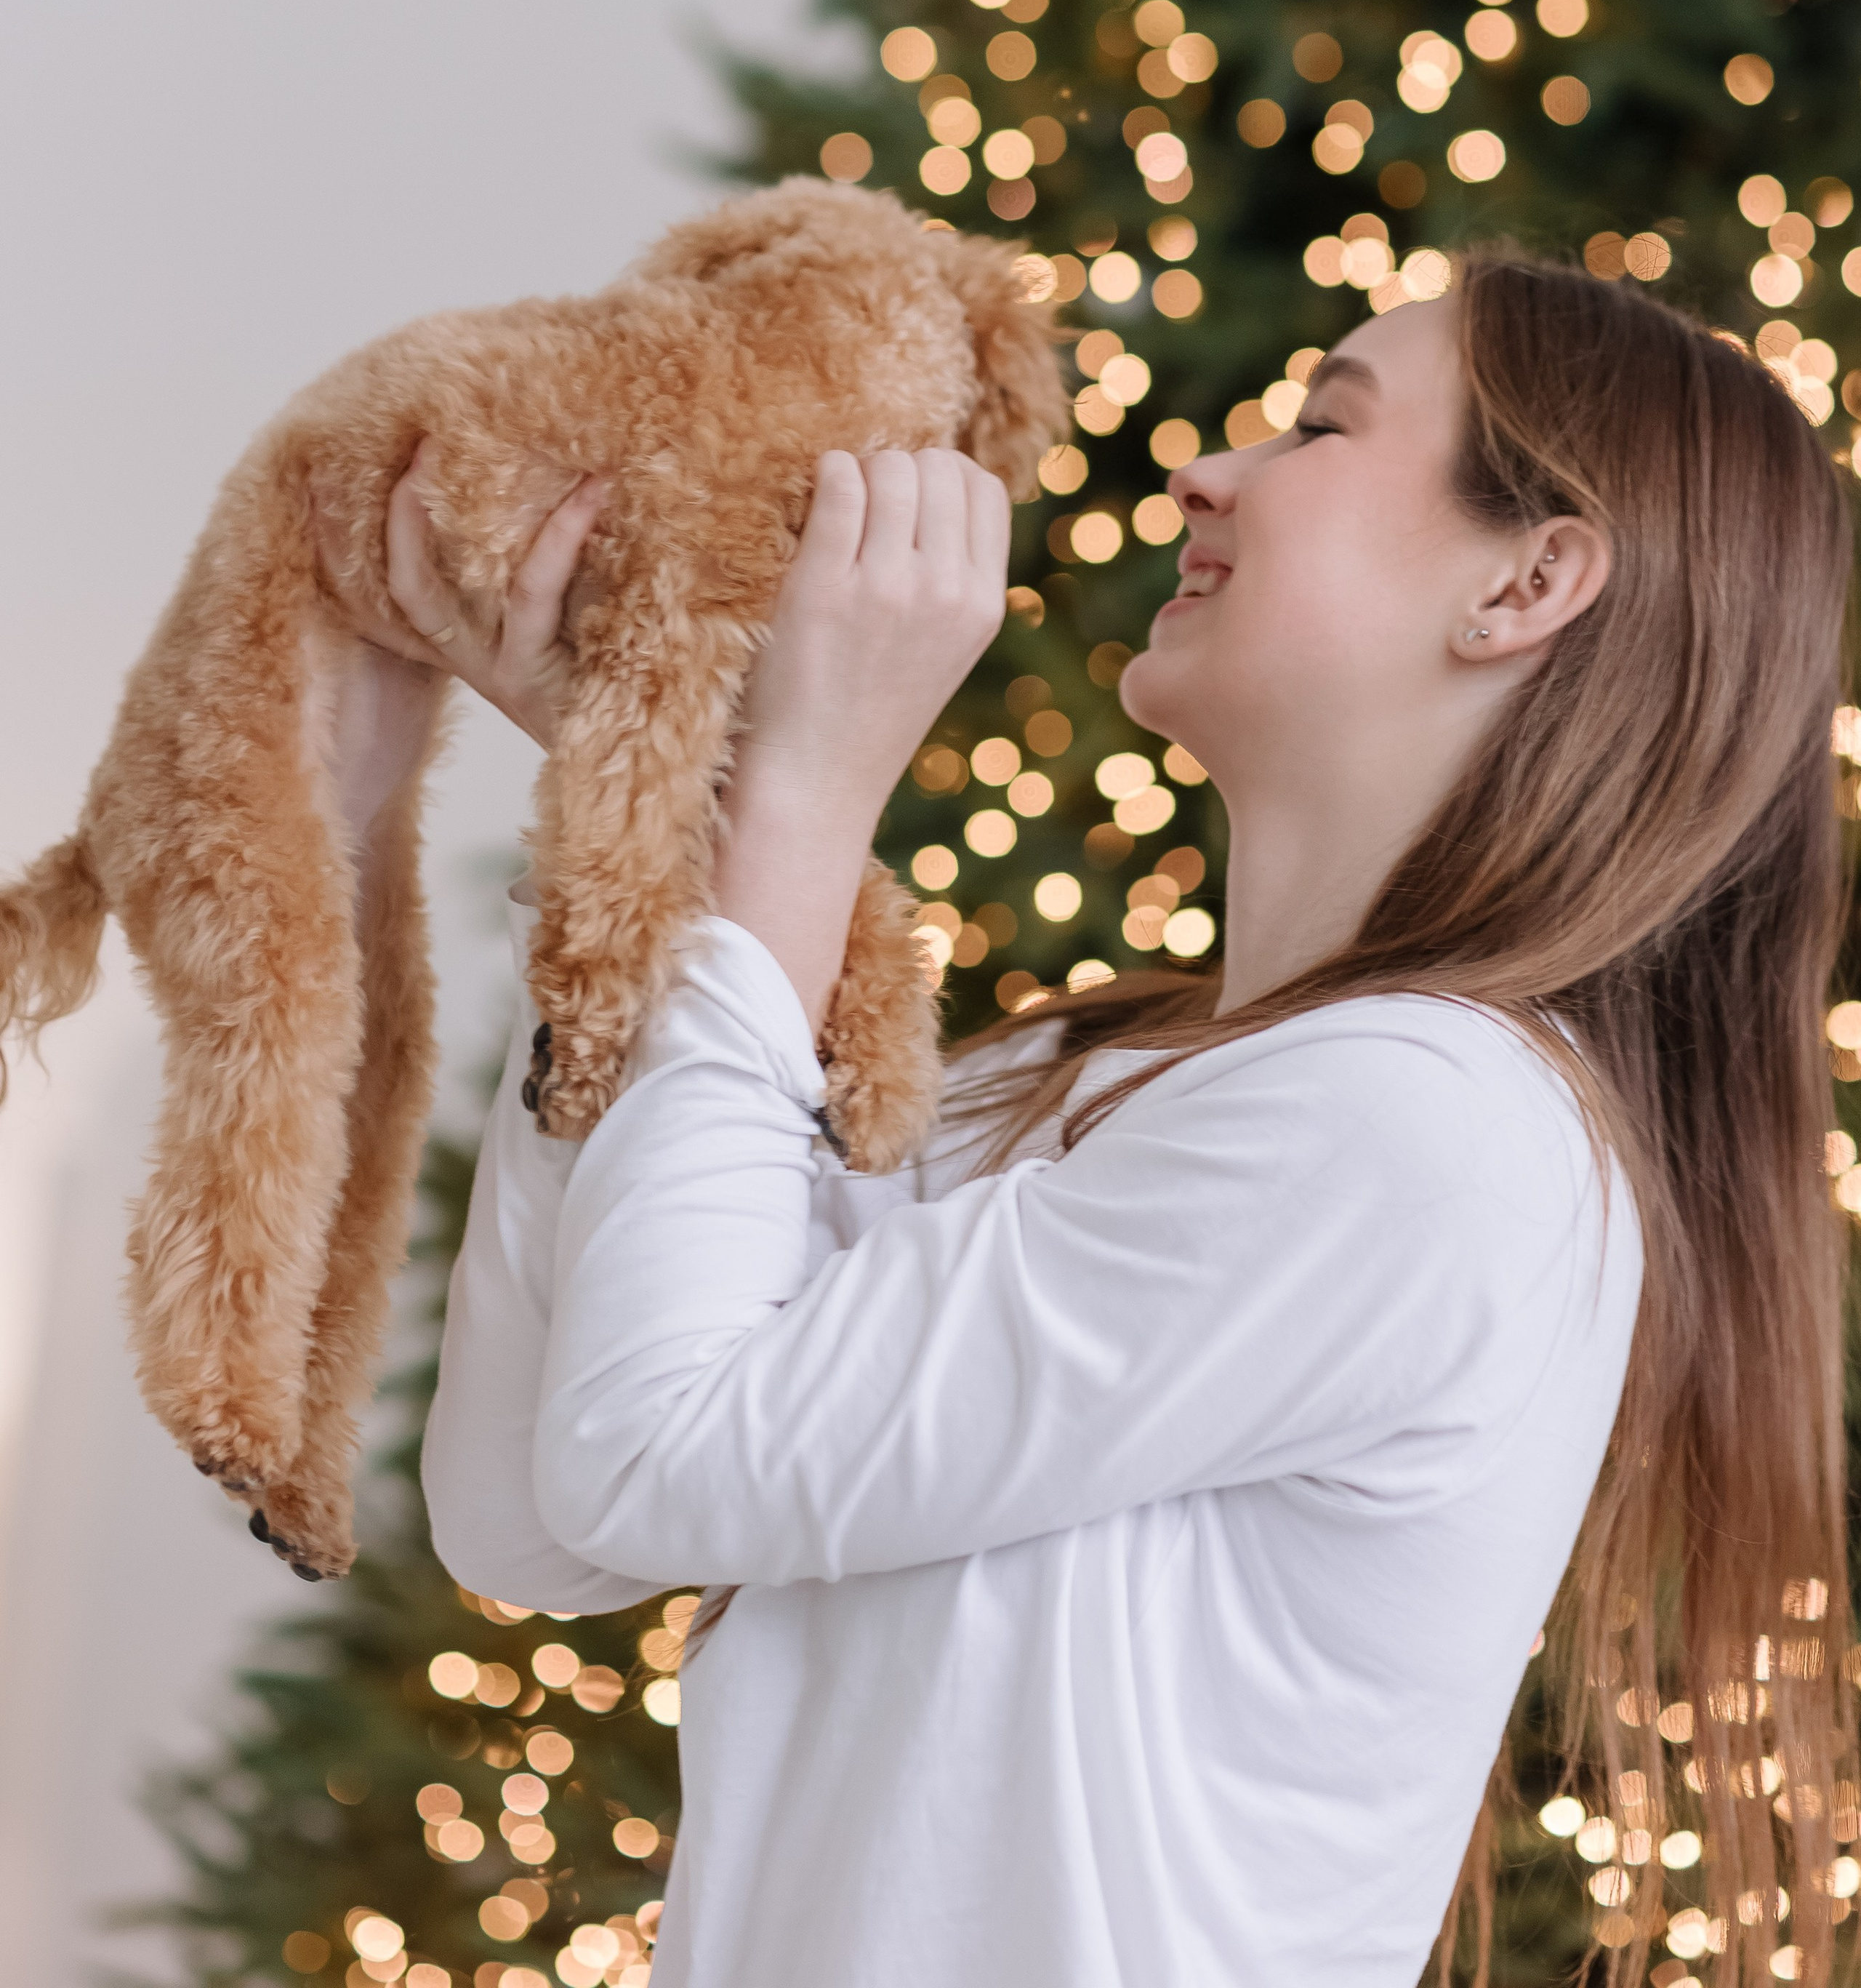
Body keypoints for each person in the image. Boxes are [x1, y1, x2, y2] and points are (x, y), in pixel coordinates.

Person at [330, 250, 1854, 1988]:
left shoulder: (1430, 1130)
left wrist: (808, 793)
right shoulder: (1069, 1091)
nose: (1212, 474)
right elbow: (536, 1515)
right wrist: (659, 818)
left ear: (1526, 580)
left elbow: (651, 1448)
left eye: (1322, 428)